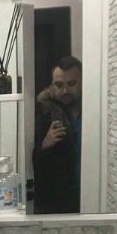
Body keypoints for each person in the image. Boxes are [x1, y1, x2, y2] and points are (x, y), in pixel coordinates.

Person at [33, 56, 82, 214]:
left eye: (71, 84)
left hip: (91, 194)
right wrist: (44, 144)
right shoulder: (43, 115)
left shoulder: (96, 110)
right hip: (58, 203)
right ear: (52, 86)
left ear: (82, 82)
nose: (65, 91)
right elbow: (32, 168)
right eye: (59, 85)